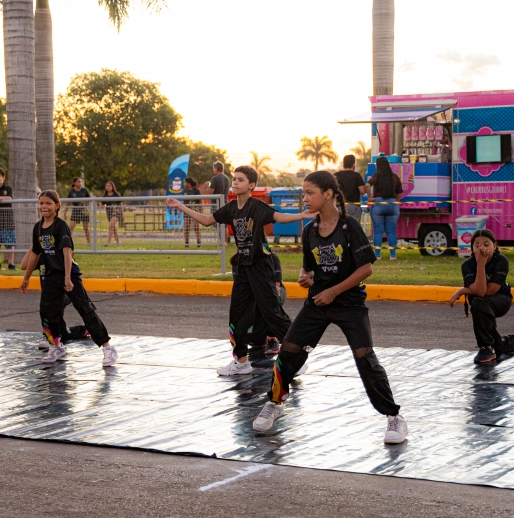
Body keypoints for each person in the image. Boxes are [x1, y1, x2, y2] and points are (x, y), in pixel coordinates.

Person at [250, 170, 408, 444]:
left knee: (365, 358)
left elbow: (366, 268)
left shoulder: (349, 227)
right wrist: (305, 277)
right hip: (318, 303)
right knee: (288, 351)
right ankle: (274, 402)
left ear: (328, 194)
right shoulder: (309, 230)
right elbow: (309, 268)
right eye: (304, 193)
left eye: (310, 193)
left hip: (348, 303)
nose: (305, 198)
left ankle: (394, 417)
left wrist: (334, 292)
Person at [167, 166, 313, 376]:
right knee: (237, 314)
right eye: (234, 179)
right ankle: (241, 361)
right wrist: (180, 206)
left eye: (240, 180)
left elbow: (279, 217)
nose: (235, 182)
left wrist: (303, 215)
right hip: (243, 267)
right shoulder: (231, 208)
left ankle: (296, 359)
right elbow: (207, 221)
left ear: (251, 185)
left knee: (272, 313)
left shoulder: (257, 206)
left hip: (261, 266)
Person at [21, 190, 118, 367]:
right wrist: (26, 279)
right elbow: (35, 253)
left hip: (68, 275)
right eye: (41, 203)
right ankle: (56, 346)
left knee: (85, 308)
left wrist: (67, 277)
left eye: (48, 203)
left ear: (57, 206)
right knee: (47, 312)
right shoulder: (37, 228)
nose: (44, 206)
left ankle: (107, 348)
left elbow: (67, 253)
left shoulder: (61, 226)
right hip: (50, 277)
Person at [448, 228, 514, 364]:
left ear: (494, 246)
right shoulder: (467, 265)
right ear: (472, 248)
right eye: (477, 245)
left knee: (479, 302)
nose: (482, 248)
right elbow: (478, 291)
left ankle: (486, 348)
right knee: (497, 343)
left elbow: (487, 291)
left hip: (501, 299)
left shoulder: (501, 260)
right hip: (480, 302)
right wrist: (478, 268)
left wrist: (463, 290)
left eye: (486, 244)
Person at [367, 156, 403, 259]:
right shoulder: (395, 177)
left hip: (378, 204)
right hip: (392, 205)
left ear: (378, 165)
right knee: (391, 232)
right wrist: (396, 201)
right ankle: (393, 255)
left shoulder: (377, 176)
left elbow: (367, 185)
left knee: (378, 232)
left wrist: (370, 198)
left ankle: (377, 255)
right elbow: (399, 194)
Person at [334, 155, 367, 225]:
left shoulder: (336, 175)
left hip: (339, 206)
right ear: (353, 164)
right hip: (354, 206)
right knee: (354, 227)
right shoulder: (357, 176)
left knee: (340, 227)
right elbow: (362, 191)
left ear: (343, 164)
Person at [209, 162, 231, 243]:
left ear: (216, 168)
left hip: (216, 203)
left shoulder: (215, 179)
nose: (213, 169)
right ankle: (225, 242)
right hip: (225, 203)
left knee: (218, 224)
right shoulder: (227, 178)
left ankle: (221, 243)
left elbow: (211, 192)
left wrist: (208, 188)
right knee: (224, 225)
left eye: (213, 168)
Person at [66, 177, 91, 244]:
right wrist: (65, 212)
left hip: (84, 211)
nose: (80, 183)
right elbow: (68, 202)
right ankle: (69, 243)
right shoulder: (71, 192)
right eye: (78, 182)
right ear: (74, 183)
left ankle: (89, 243)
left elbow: (90, 200)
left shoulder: (84, 190)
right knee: (71, 227)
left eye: (81, 181)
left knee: (86, 228)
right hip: (75, 211)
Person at [182, 177, 202, 247]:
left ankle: (198, 242)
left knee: (196, 227)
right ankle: (186, 242)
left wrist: (201, 210)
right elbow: (183, 202)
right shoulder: (184, 191)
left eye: (185, 182)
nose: (184, 184)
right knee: (186, 227)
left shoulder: (196, 191)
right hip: (186, 212)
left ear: (188, 183)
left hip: (195, 211)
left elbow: (200, 201)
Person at [101, 181, 123, 245]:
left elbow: (120, 204)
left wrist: (122, 213)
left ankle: (108, 242)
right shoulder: (105, 196)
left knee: (111, 225)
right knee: (113, 228)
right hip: (109, 213)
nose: (108, 187)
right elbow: (102, 204)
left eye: (109, 186)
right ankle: (118, 242)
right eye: (106, 186)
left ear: (112, 187)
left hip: (116, 212)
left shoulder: (116, 195)